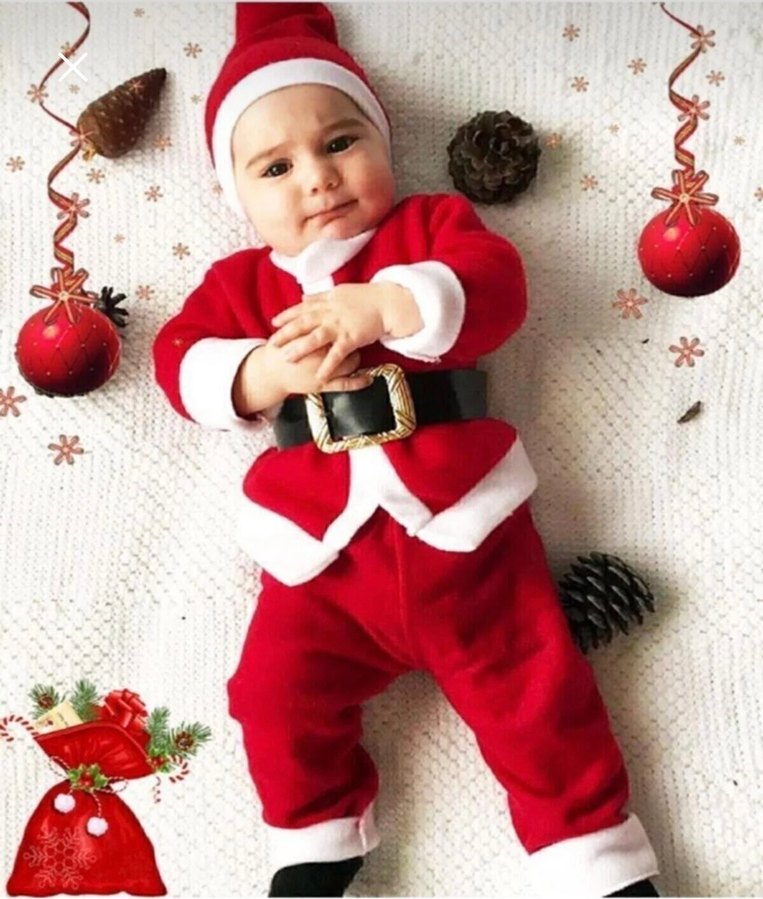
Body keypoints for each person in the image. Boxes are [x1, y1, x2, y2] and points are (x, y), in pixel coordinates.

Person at [152, 4, 660, 896]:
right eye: (276, 167)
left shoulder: (427, 228)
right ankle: (315, 840)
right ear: (237, 196)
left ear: (381, 144)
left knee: (537, 693)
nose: (318, 178)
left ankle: (595, 858)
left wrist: (391, 304)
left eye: (340, 142)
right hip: (322, 561)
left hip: (464, 537)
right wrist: (259, 371)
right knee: (270, 693)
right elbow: (178, 360)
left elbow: (495, 287)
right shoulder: (242, 284)